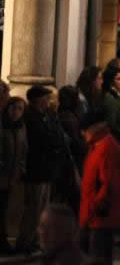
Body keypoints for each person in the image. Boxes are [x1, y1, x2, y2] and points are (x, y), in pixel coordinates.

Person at [16, 86, 64, 254]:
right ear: (37, 99)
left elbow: (56, 136)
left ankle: (36, 241)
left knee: (42, 208)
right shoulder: (31, 118)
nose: (49, 101)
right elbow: (40, 139)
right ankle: (25, 242)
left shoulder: (46, 116)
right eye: (46, 98)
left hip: (45, 169)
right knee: (33, 208)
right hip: (35, 169)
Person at [79, 110, 120, 265]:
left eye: (84, 130)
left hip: (100, 215)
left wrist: (93, 207)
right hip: (96, 213)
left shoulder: (105, 147)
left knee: (98, 256)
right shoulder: (98, 145)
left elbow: (108, 183)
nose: (82, 134)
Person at [0, 97, 26, 254]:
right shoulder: (3, 126)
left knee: (5, 209)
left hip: (12, 177)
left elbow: (24, 149)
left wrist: (21, 169)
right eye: (13, 108)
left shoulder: (21, 127)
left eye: (20, 109)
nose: (16, 112)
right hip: (2, 175)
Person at [101, 65, 120, 142]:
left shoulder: (118, 96)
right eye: (118, 79)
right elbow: (111, 125)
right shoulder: (110, 98)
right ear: (110, 81)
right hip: (118, 140)